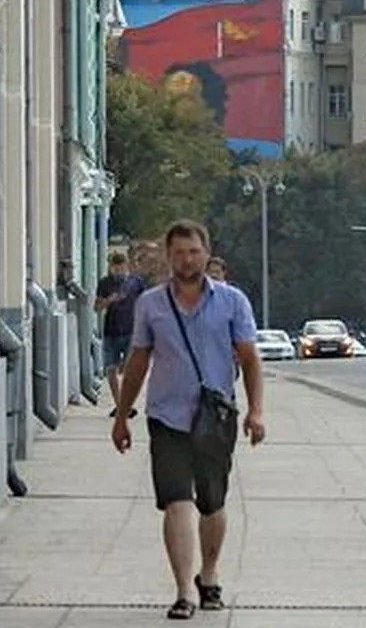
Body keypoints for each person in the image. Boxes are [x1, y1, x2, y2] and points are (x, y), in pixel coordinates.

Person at [111, 221, 266, 620]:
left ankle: (209, 575)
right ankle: (184, 591)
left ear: (205, 253)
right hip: (167, 417)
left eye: (193, 251)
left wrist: (256, 411)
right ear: (168, 256)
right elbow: (139, 359)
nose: (186, 260)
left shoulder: (233, 302)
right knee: (176, 500)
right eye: (178, 252)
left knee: (212, 503)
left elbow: (249, 358)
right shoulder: (151, 304)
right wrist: (123, 416)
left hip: (215, 417)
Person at [95, 250, 147, 417]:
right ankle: (120, 406)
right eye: (114, 267)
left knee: (128, 369)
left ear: (127, 266)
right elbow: (96, 308)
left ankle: (126, 403)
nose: (118, 271)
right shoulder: (105, 283)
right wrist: (109, 300)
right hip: (111, 330)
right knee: (111, 368)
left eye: (121, 267)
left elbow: (145, 304)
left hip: (132, 330)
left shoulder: (136, 282)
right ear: (110, 267)